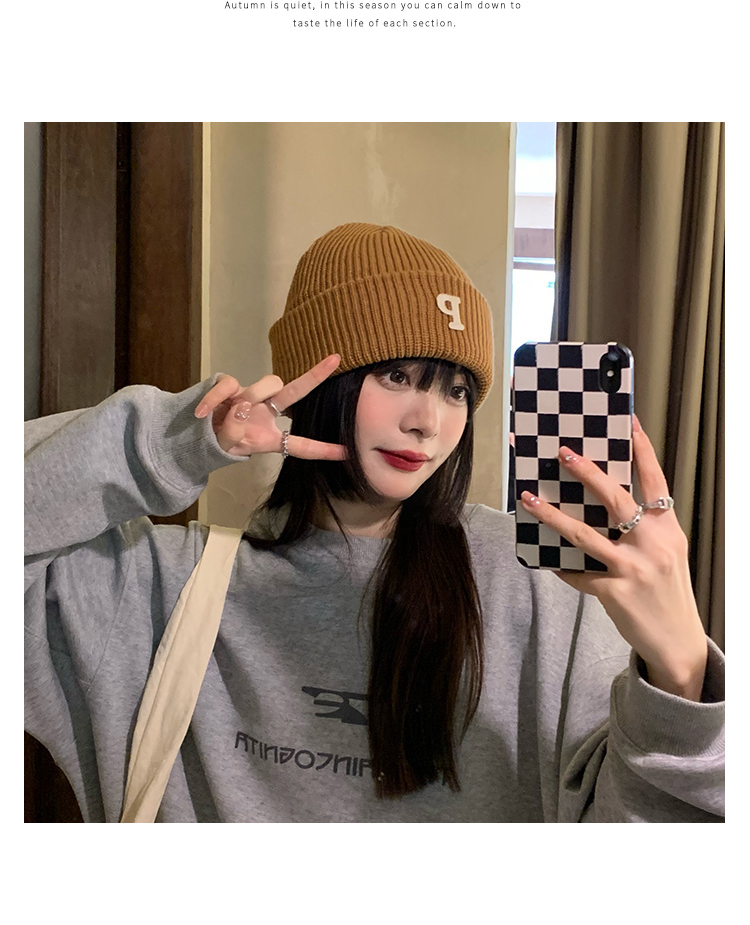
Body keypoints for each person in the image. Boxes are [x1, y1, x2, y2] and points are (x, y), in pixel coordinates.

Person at [24, 222, 725, 822]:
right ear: (316, 380)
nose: (429, 422)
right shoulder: (154, 589)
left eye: (456, 390)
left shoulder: (540, 584)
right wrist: (175, 443)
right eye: (396, 376)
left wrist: (681, 677)